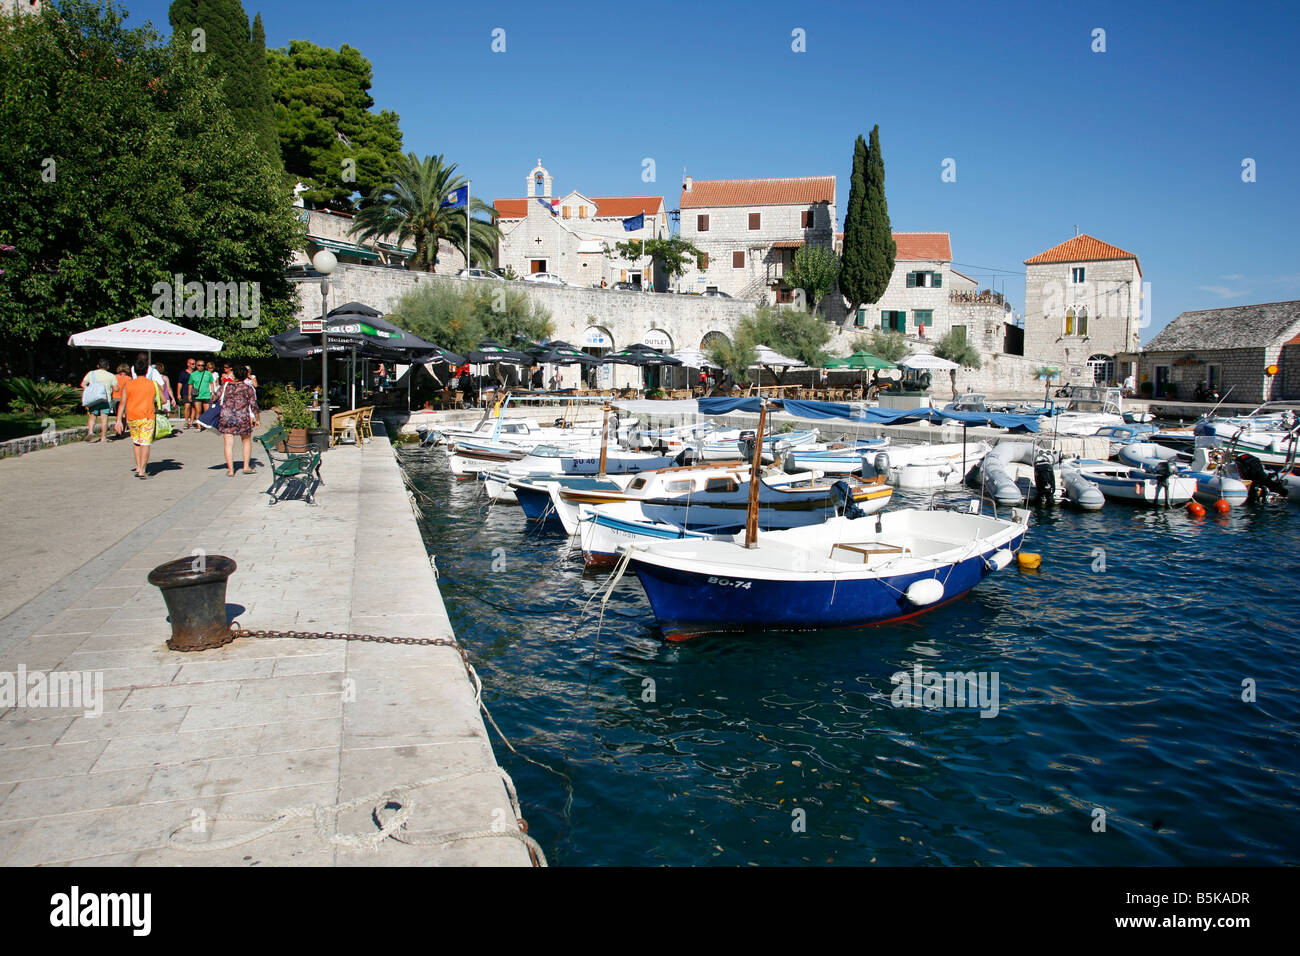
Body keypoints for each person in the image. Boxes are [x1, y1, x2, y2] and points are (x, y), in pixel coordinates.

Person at [115, 357, 159, 477]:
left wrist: (118, 420)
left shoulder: (128, 384)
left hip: (132, 417)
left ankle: (138, 466)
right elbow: (163, 400)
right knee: (145, 443)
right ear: (146, 371)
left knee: (136, 442)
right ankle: (142, 470)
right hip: (147, 416)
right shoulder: (152, 384)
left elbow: (122, 403)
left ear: (134, 370)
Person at [217, 363, 259, 475]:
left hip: (226, 417)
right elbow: (254, 405)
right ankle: (246, 466)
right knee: (246, 441)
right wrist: (257, 418)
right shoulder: (248, 388)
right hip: (243, 418)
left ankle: (230, 470)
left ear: (234, 374)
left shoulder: (225, 387)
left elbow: (214, 398)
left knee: (228, 444)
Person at [80, 358, 116, 443]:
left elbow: (83, 384)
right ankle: (103, 437)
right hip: (106, 399)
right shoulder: (111, 375)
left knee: (92, 416)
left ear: (98, 366)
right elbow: (115, 388)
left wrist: (90, 390)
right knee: (104, 418)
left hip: (94, 399)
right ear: (108, 367)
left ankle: (90, 432)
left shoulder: (91, 373)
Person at [178, 357, 196, 429]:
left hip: (195, 392)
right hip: (185, 391)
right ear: (188, 364)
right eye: (192, 364)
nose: (194, 365)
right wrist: (178, 393)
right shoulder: (183, 373)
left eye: (195, 364)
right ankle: (186, 421)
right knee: (187, 406)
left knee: (194, 407)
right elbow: (180, 383)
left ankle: (191, 422)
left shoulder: (196, 373)